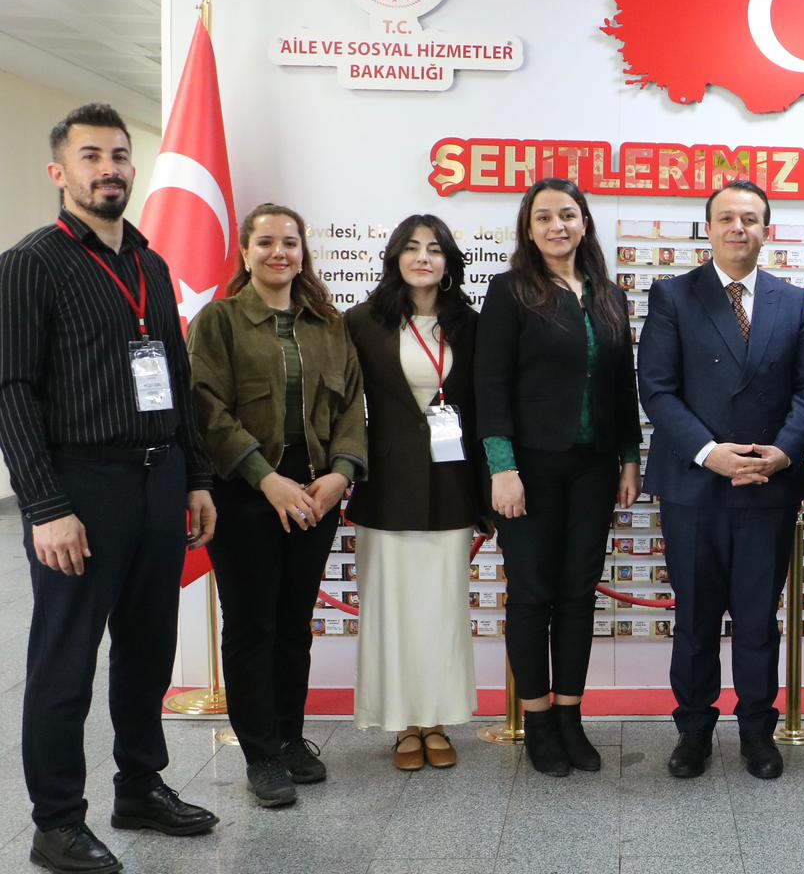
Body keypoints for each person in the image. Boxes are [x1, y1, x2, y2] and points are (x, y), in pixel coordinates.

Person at [0, 103, 219, 873]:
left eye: (120, 155)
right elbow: (12, 390)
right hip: (81, 488)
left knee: (148, 647)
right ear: (60, 172)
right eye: (91, 156)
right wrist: (46, 506)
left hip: (159, 479)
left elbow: (178, 379)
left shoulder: (151, 266)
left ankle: (141, 786)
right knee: (65, 660)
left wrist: (195, 477)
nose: (109, 169)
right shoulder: (31, 263)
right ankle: (57, 823)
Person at [636, 180, 804, 780]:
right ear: (709, 229)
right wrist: (709, 452)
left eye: (750, 219)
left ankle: (757, 733)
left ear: (767, 230)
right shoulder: (673, 295)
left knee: (758, 620)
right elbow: (657, 390)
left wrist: (784, 453)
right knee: (694, 619)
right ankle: (693, 731)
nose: (738, 228)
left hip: (768, 486)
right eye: (726, 219)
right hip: (695, 487)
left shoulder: (792, 301)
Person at [188, 203, 368, 807]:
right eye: (265, 242)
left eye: (289, 242)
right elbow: (207, 408)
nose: (279, 252)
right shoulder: (218, 321)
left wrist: (341, 473)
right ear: (244, 252)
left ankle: (290, 739)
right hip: (244, 493)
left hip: (315, 492)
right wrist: (266, 480)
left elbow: (351, 406)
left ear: (302, 253)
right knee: (251, 627)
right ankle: (260, 754)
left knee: (293, 625)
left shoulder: (328, 324)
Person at [476, 177, 641, 777]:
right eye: (543, 216)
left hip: (594, 466)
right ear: (528, 227)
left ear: (584, 223)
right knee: (532, 594)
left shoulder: (608, 295)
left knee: (578, 593)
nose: (556, 226)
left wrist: (629, 456)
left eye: (567, 215)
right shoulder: (510, 291)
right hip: (529, 467)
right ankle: (539, 721)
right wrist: (502, 468)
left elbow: (622, 385)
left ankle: (571, 716)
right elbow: (490, 384)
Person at [345, 215, 484, 770]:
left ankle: (437, 720)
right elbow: (344, 404)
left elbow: (484, 406)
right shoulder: (361, 322)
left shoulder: (470, 326)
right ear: (394, 258)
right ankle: (403, 725)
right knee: (391, 610)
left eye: (434, 249)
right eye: (411, 248)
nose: (422, 258)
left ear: (448, 262)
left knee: (442, 609)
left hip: (451, 485)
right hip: (385, 486)